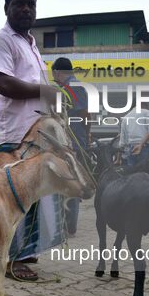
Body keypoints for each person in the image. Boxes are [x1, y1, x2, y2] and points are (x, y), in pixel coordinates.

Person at [0, 0, 58, 281]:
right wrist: (44, 90)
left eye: (31, 4)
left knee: (33, 196)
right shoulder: (1, 41)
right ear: (7, 8)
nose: (26, 9)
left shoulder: (32, 45)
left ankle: (25, 251)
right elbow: (3, 83)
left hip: (36, 135)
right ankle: (11, 259)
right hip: (14, 136)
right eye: (19, 4)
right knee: (13, 199)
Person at [52, 57, 89, 238]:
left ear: (58, 72)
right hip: (68, 142)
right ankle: (63, 225)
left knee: (71, 182)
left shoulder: (72, 88)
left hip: (73, 144)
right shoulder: (67, 88)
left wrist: (84, 137)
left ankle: (69, 227)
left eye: (54, 74)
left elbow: (84, 114)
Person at [119, 102, 149, 168]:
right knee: (146, 174)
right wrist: (140, 145)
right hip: (144, 148)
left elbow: (122, 143)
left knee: (132, 175)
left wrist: (118, 159)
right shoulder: (146, 112)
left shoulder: (125, 118)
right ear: (142, 104)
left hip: (131, 149)